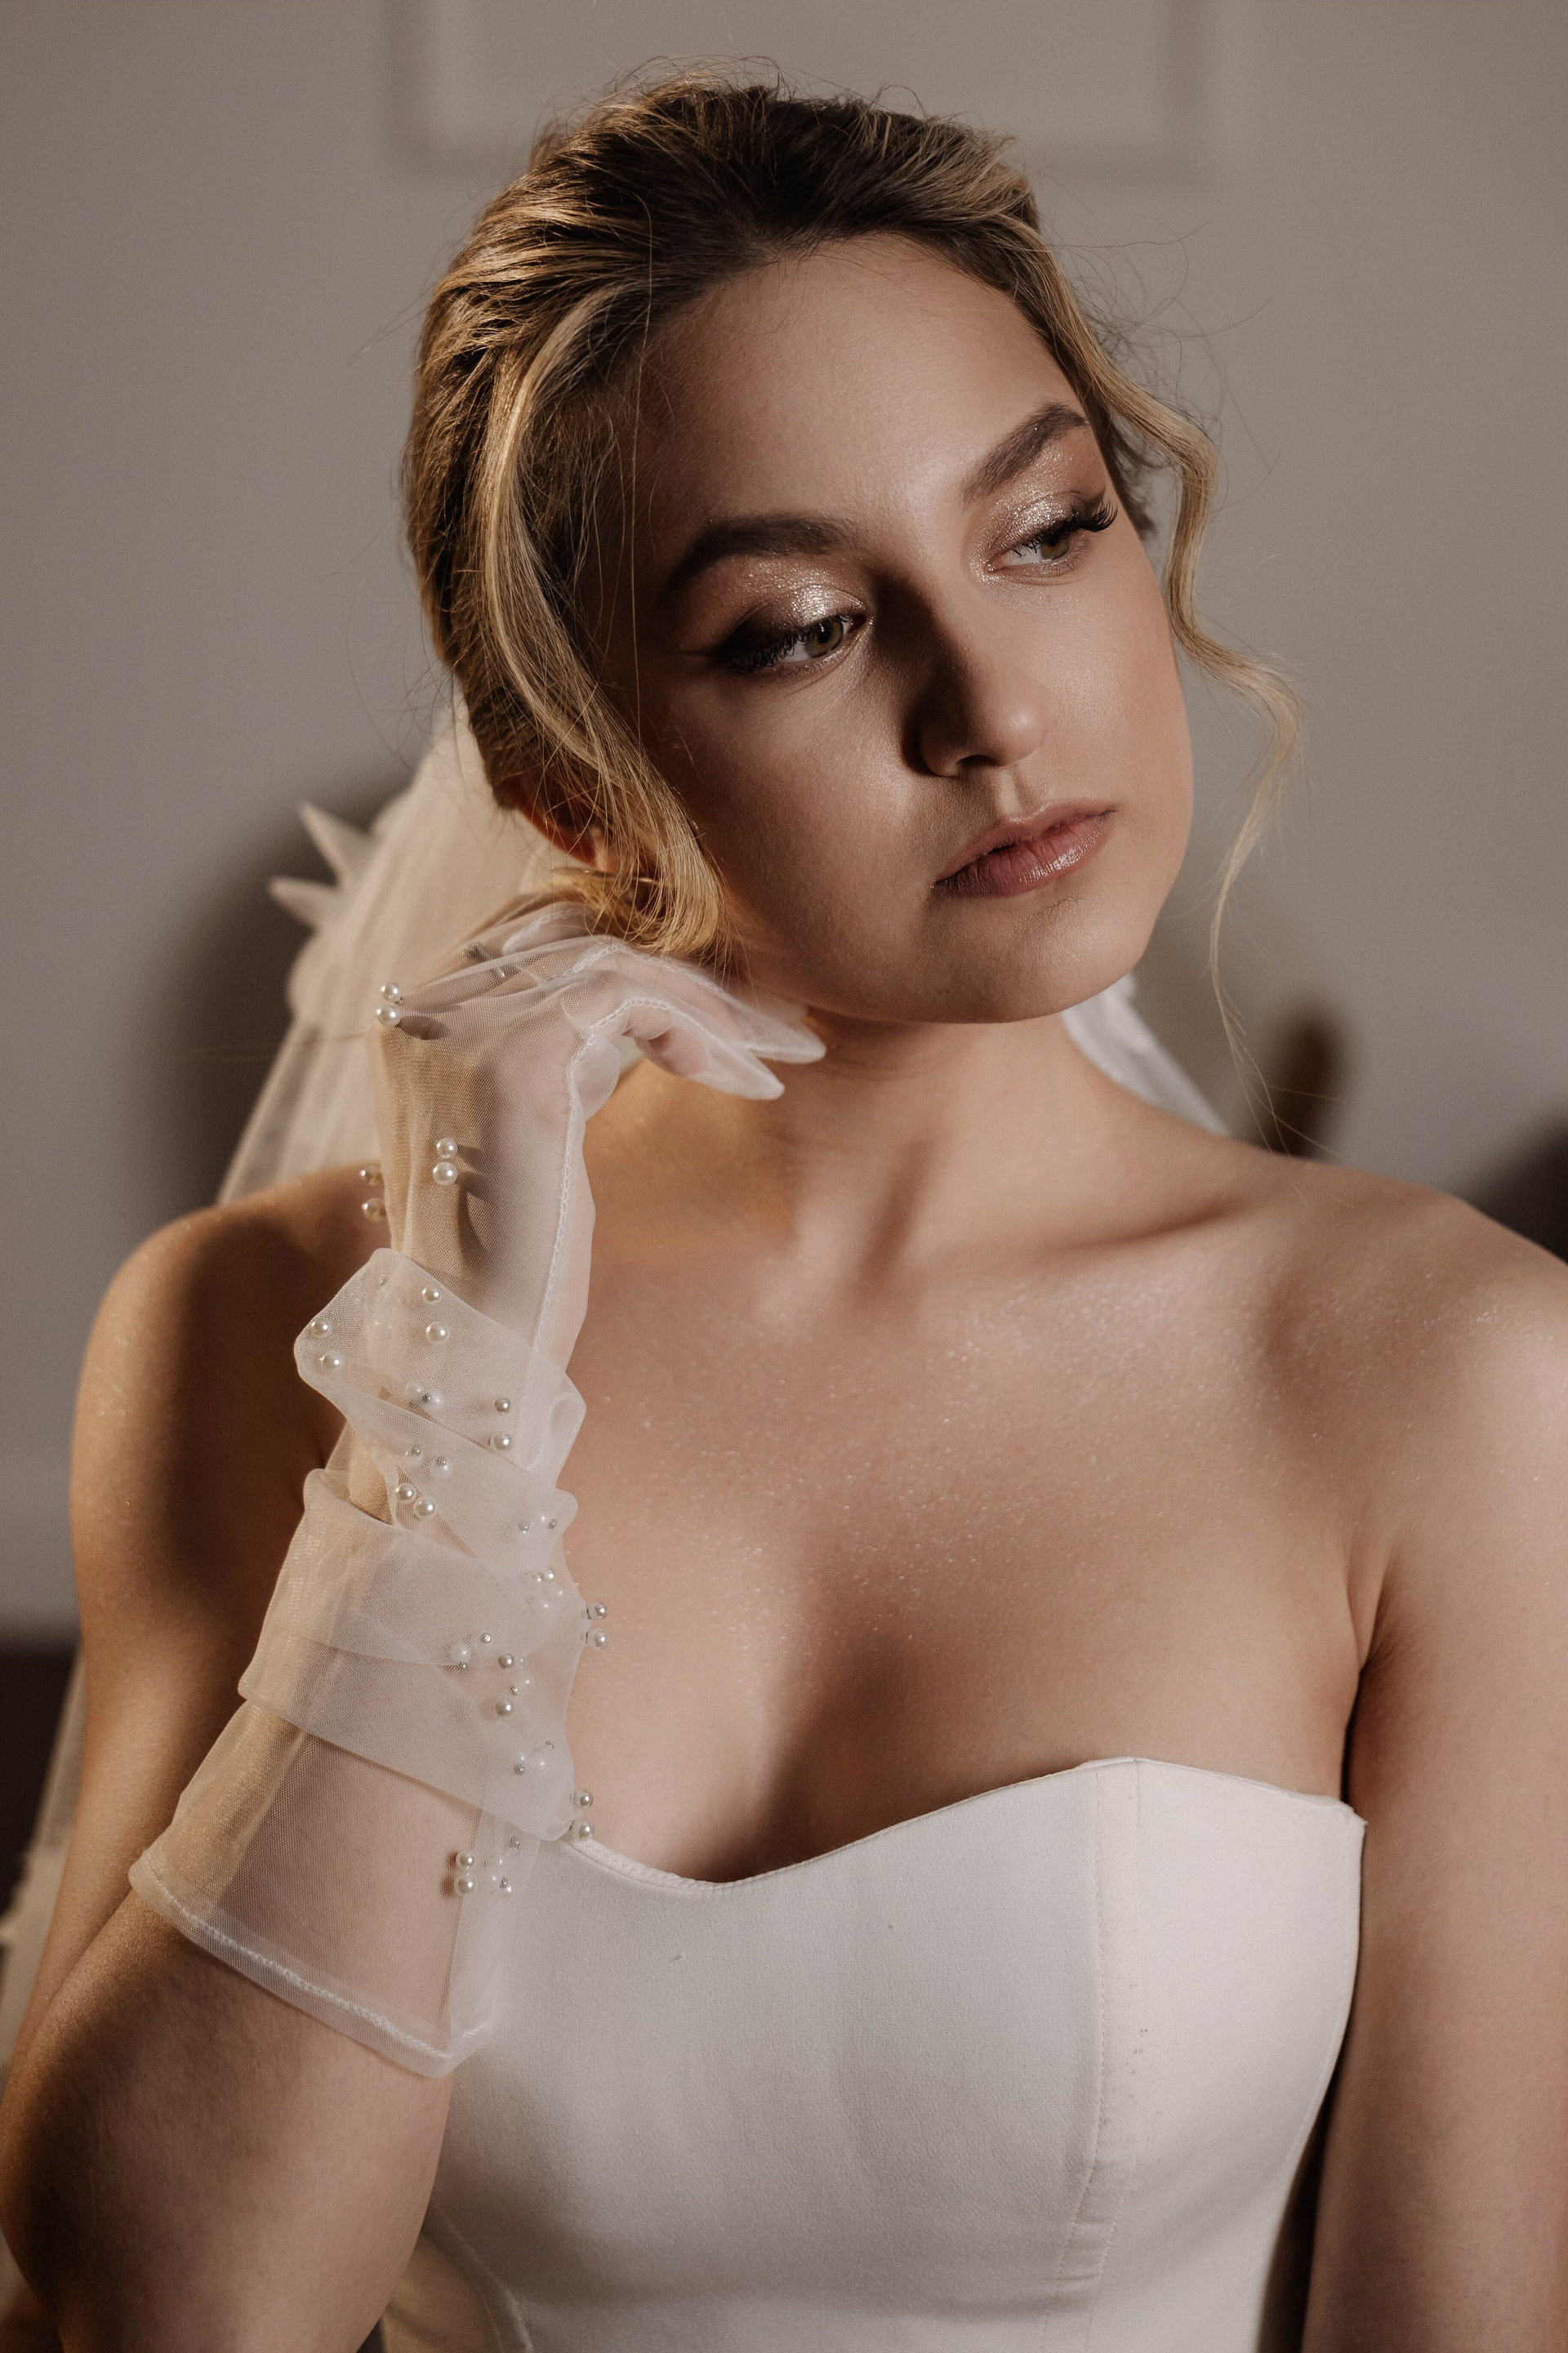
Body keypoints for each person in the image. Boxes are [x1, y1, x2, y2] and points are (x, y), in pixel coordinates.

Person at [2, 71, 1565, 2353]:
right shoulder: (265, 1330)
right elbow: (179, 2307)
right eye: (803, 625)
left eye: (1051, 529)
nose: (995, 706)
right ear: (565, 780)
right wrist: (461, 1389)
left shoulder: (1447, 1372)